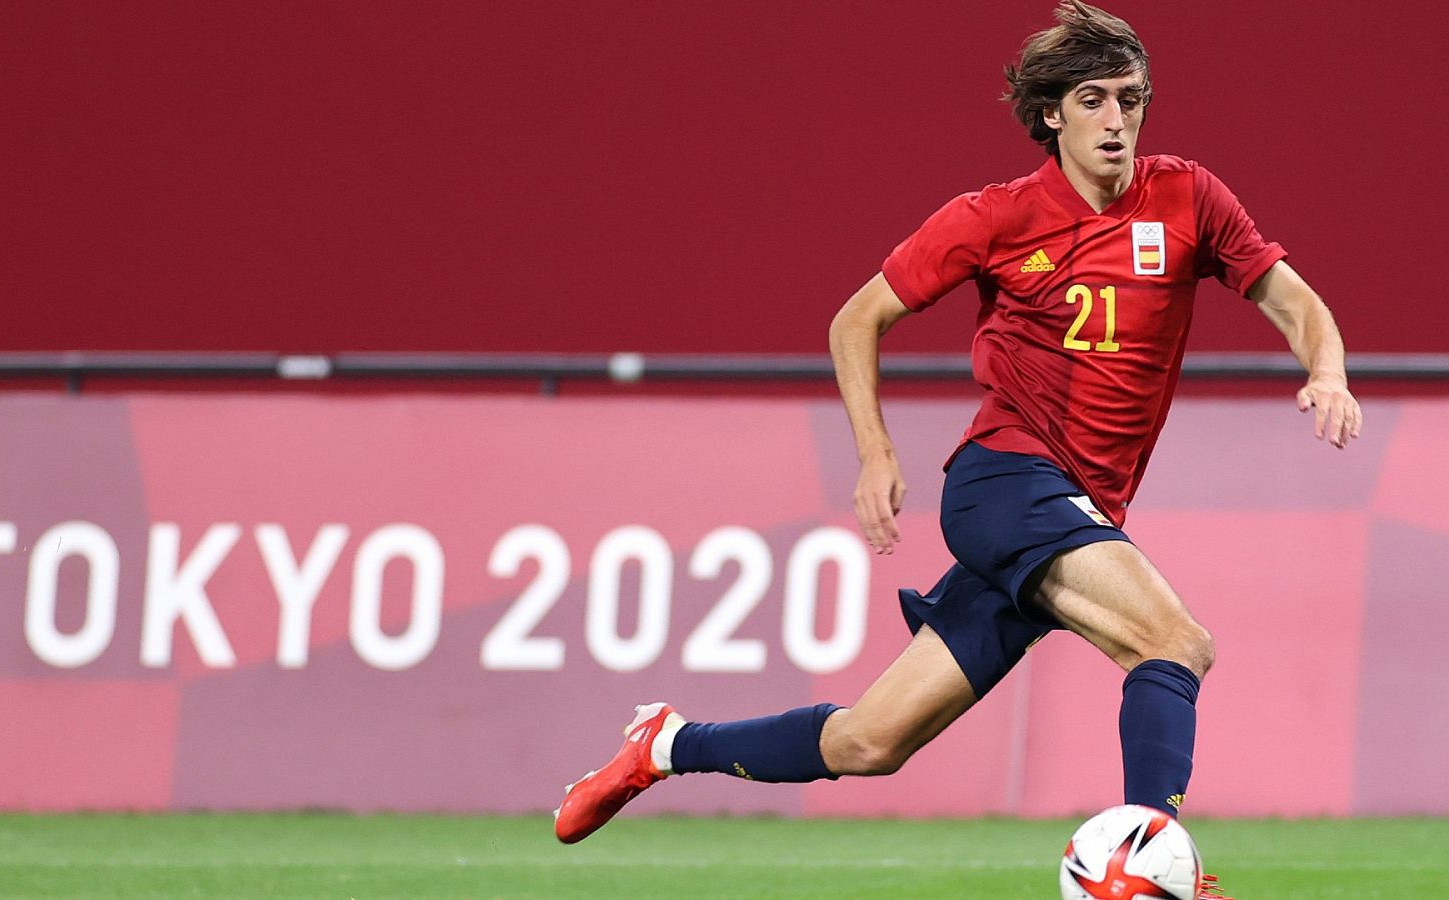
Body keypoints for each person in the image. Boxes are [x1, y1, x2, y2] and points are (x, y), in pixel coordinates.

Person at [554, 1, 1361, 889]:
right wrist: (875, 452)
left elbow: (1298, 304)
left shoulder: (1189, 197)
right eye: (1092, 100)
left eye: (1131, 100)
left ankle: (662, 745)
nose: (1117, 121)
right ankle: (1155, 862)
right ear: (1050, 113)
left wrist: (1326, 369)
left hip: (1077, 510)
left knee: (868, 740)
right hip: (1006, 483)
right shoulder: (995, 216)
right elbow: (856, 319)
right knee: (1175, 642)